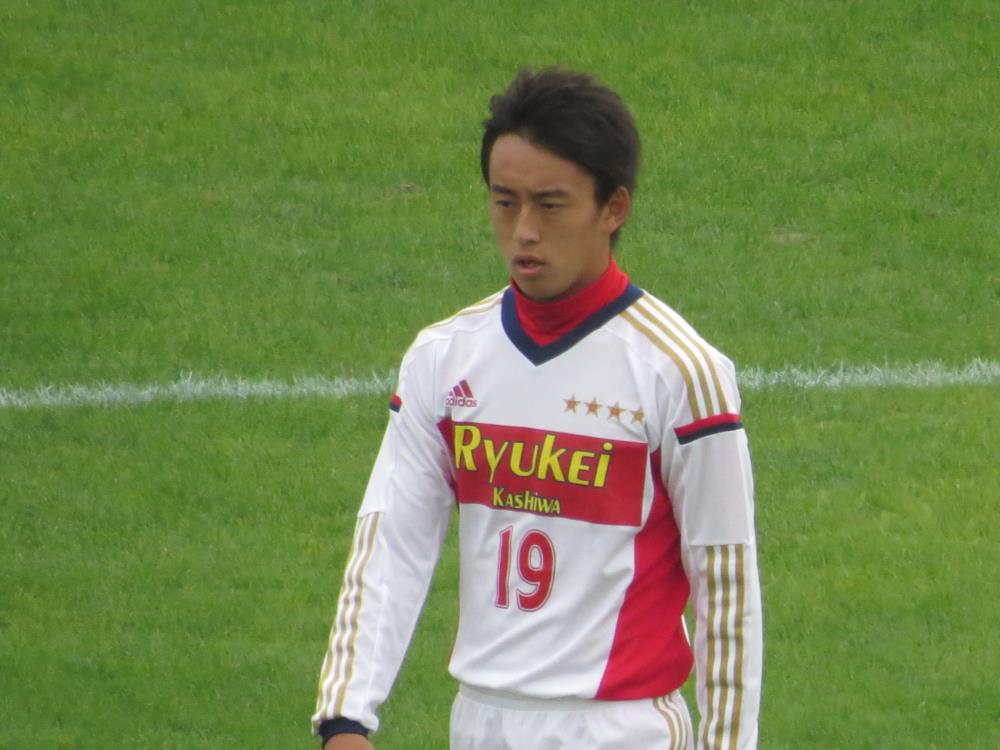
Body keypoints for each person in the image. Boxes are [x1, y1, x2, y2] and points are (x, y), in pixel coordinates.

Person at [312, 67, 763, 750]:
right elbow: (392, 538)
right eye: (505, 202)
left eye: (550, 205)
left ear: (613, 208)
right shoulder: (443, 358)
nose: (523, 231)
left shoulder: (681, 373)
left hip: (618, 732)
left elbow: (724, 581)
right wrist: (345, 715)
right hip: (479, 724)